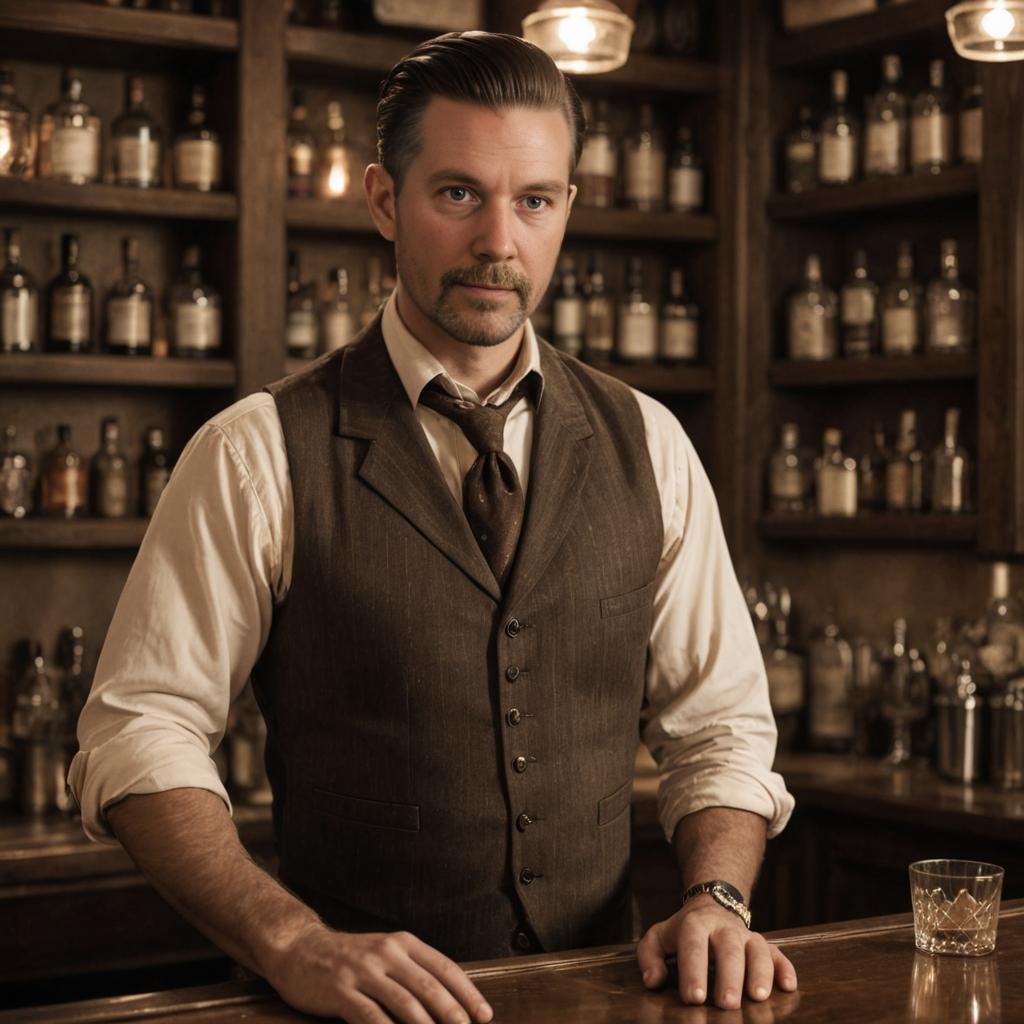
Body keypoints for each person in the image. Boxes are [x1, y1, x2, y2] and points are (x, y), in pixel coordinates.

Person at [69, 31, 796, 1024]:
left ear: (566, 211)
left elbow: (718, 730)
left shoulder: (650, 445)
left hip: (600, 997)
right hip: (347, 1012)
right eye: (459, 194)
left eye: (533, 200)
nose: (500, 240)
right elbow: (138, 729)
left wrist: (715, 895)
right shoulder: (256, 450)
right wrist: (290, 940)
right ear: (383, 200)